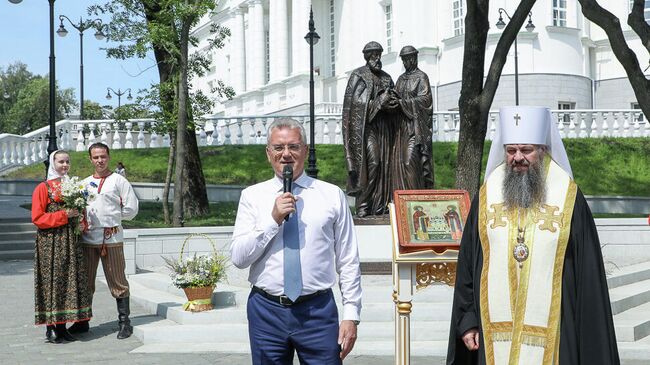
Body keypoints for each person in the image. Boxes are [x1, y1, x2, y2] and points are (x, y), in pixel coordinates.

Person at [446, 106, 619, 364]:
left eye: (526, 150)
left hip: (556, 332)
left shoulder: (568, 198)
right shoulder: (487, 196)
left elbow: (588, 275)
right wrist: (468, 319)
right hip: (493, 334)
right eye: (511, 150)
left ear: (543, 149)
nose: (518, 158)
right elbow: (468, 264)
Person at [231, 118, 362, 364]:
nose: (286, 154)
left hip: (317, 311)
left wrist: (351, 314)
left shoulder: (331, 195)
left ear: (306, 151)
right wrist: (273, 220)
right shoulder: (252, 196)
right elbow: (239, 258)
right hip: (266, 311)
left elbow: (348, 258)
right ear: (268, 153)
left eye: (293, 146)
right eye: (278, 148)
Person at [67, 142, 139, 339]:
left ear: (108, 157)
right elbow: (79, 208)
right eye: (96, 157)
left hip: (111, 237)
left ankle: (125, 322)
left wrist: (113, 218)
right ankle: (82, 321)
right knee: (85, 281)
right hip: (88, 238)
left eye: (103, 156)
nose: (100, 160)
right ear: (90, 159)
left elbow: (132, 208)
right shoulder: (83, 183)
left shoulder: (119, 181)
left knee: (117, 279)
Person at [32, 150, 92, 343]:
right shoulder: (43, 188)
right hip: (50, 242)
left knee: (67, 282)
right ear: (53, 163)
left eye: (67, 162)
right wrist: (64, 215)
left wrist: (81, 222)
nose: (64, 165)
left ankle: (62, 326)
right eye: (60, 162)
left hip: (69, 241)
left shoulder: (73, 186)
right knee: (52, 281)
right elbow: (38, 218)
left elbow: (80, 212)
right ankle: (50, 328)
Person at [342, 41, 399, 217]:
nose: (377, 58)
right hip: (366, 129)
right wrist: (377, 103)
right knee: (372, 163)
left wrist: (391, 103)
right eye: (373, 55)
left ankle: (381, 205)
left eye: (379, 54)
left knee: (385, 165)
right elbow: (353, 106)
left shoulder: (387, 77)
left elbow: (395, 100)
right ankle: (363, 203)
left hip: (384, 128)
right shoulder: (358, 76)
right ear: (367, 57)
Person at [393, 45, 434, 190]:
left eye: (409, 58)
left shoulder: (421, 77)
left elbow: (425, 100)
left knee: (409, 162)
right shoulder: (400, 79)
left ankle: (415, 198)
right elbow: (396, 96)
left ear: (415, 58)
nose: (407, 62)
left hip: (415, 128)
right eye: (404, 59)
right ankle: (402, 200)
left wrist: (403, 103)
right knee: (399, 165)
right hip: (401, 128)